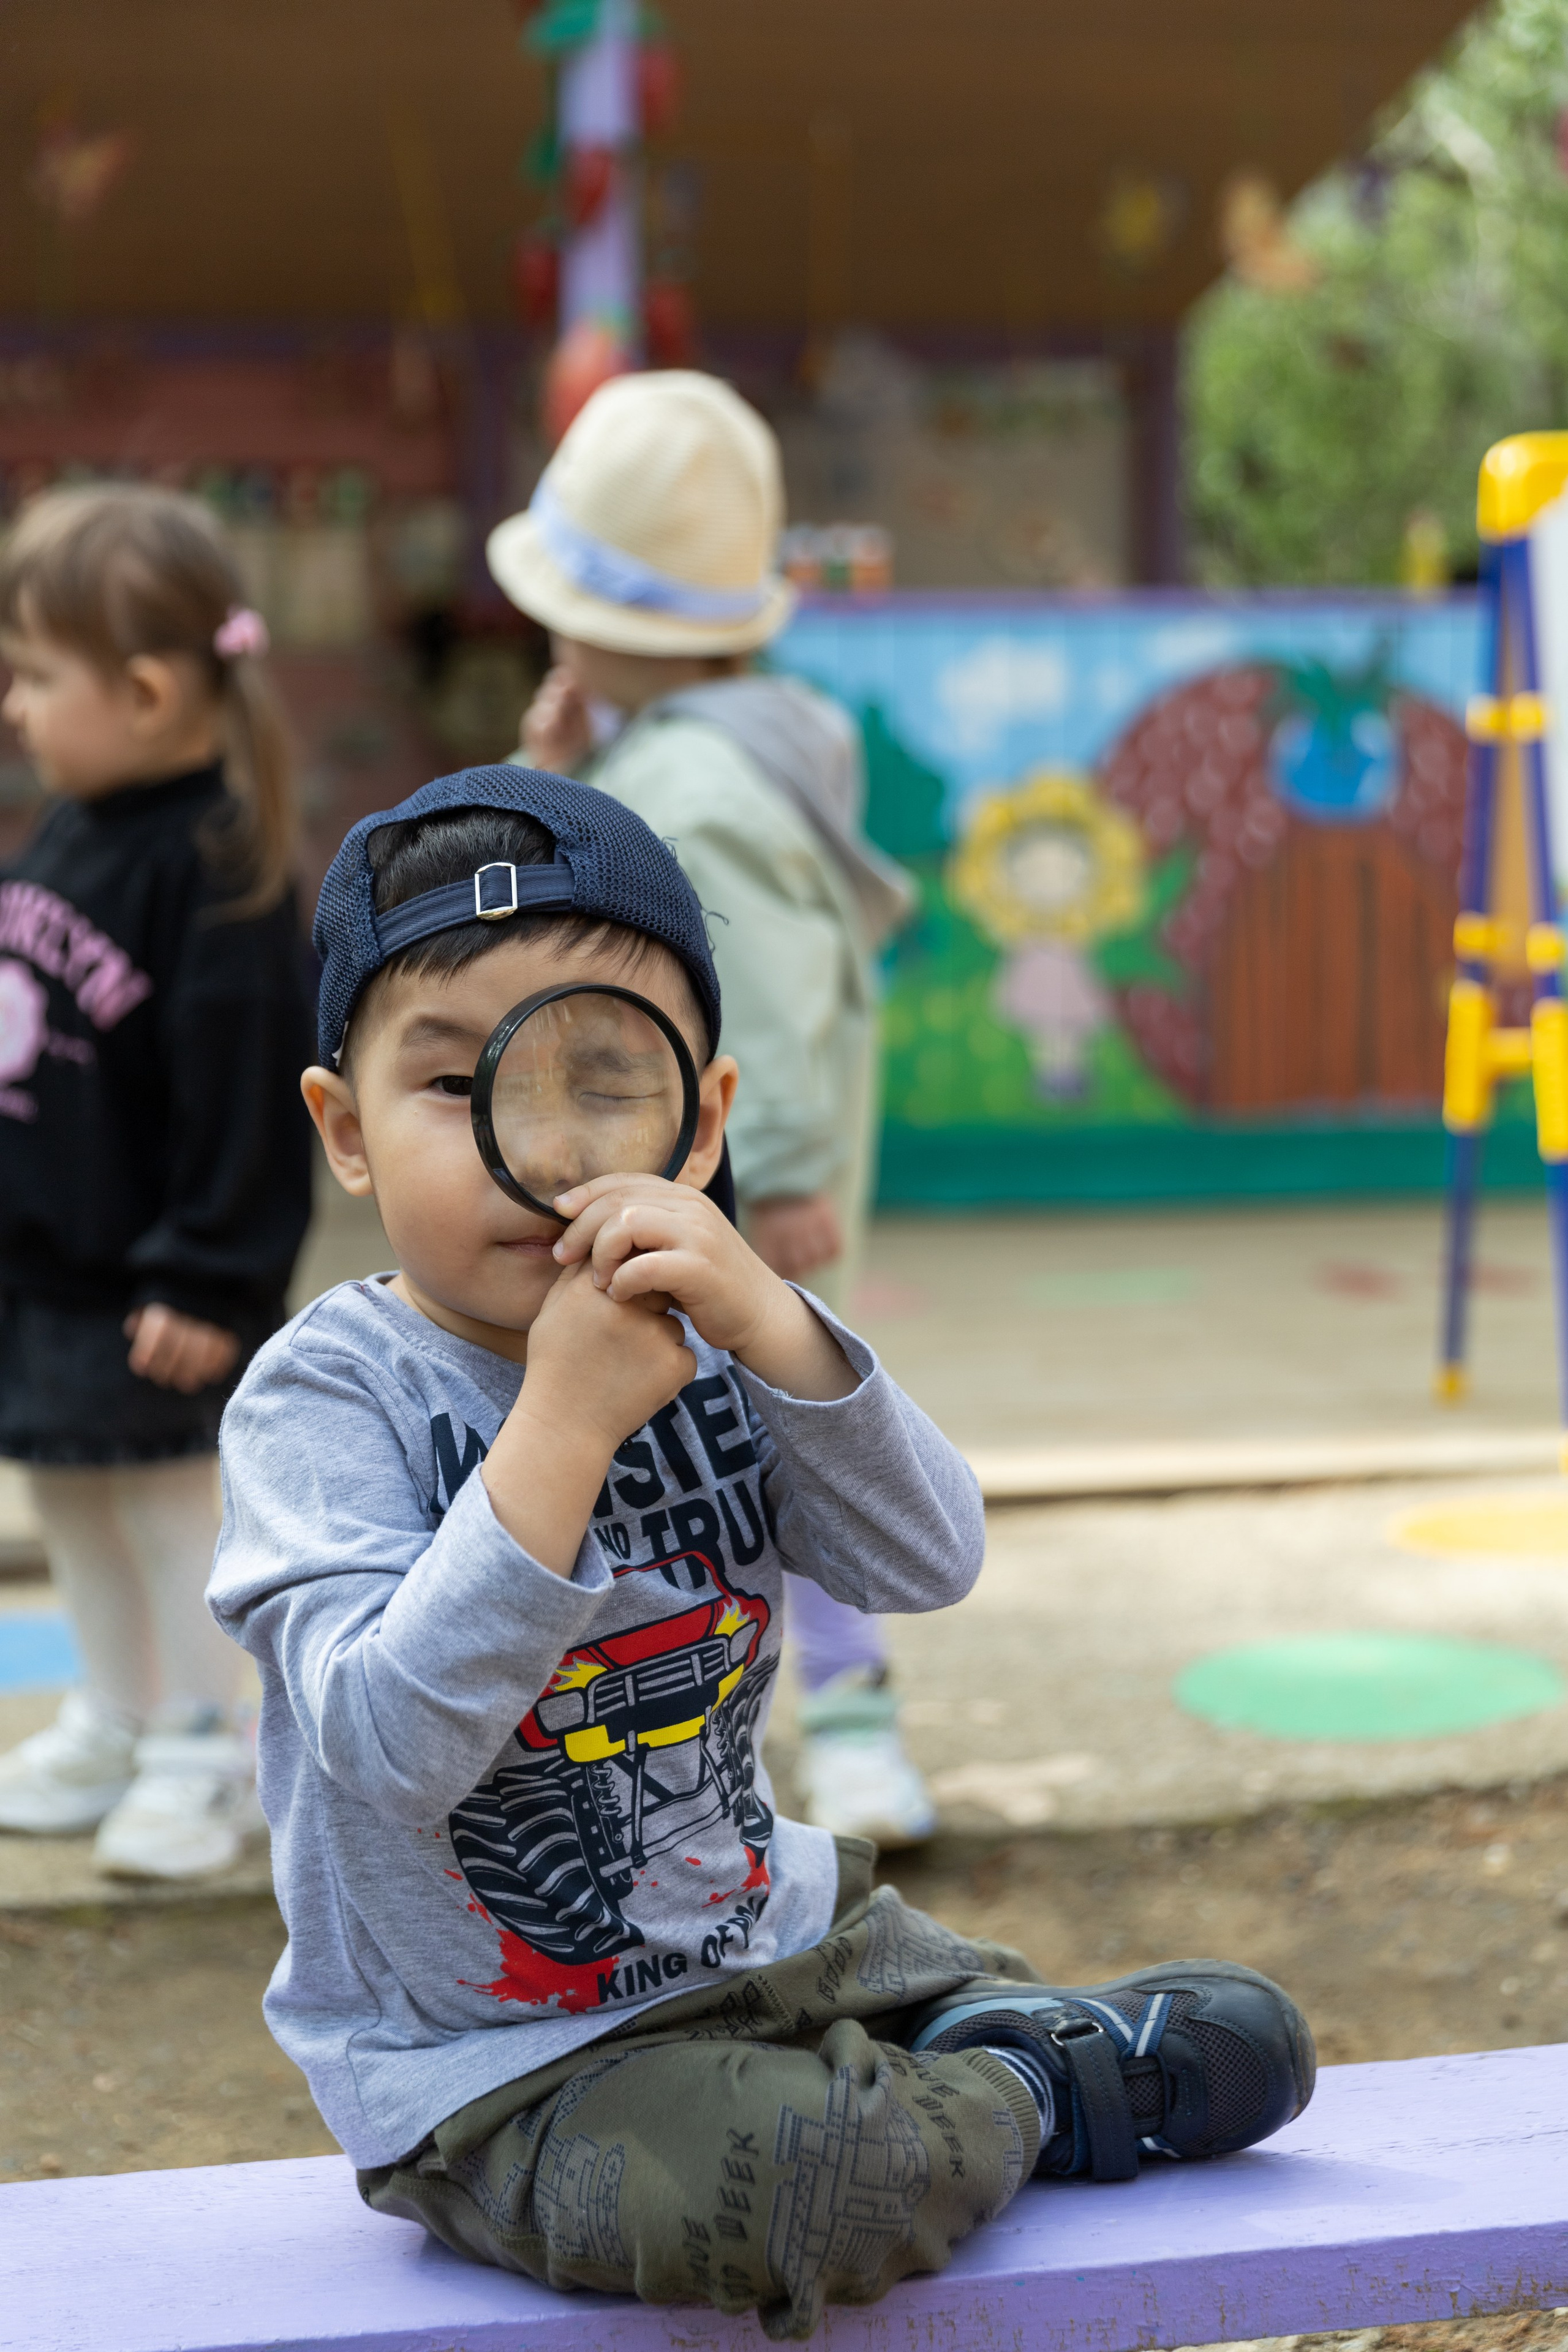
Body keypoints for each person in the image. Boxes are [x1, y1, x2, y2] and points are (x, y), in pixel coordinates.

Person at [209, 763, 1314, 2342]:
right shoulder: (324, 1401)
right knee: (816, 2188)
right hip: (502, 2072)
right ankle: (1022, 2081)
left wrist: (780, 1329)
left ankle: (963, 2069)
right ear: (347, 1132)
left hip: (787, 1946)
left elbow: (928, 1558)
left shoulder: (716, 1328)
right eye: (458, 1085)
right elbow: (386, 1747)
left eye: (607, 1079)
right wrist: (563, 1422)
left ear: (703, 1117)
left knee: (1254, 2042)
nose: (547, 1144)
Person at [491, 370, 935, 1847]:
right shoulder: (733, 746)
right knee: (757, 1450)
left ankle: (850, 1727)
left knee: (769, 1450)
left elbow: (765, 981)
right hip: (723, 1192)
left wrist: (782, 1175)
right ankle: (794, 1726)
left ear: (614, 629)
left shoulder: (688, 782)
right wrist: (560, 773)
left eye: (564, 610)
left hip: (733, 1200)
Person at [0, 486, 314, 1880]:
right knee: (69, 1498)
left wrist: (211, 1275)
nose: (13, 706)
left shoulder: (217, 869)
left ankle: (204, 1742)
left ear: (142, 691)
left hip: (160, 1292)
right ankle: (117, 1714)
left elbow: (249, 1103)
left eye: (32, 675)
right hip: (47, 1276)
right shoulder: (68, 828)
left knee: (166, 1511)